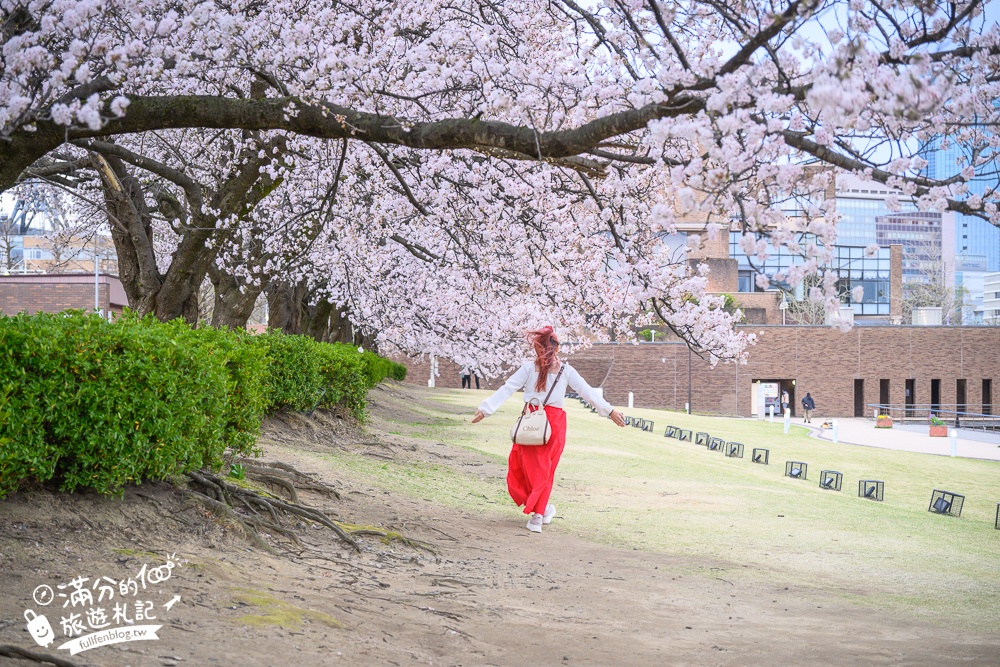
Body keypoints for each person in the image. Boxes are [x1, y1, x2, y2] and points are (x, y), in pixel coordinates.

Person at [472, 326, 626, 533]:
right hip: (552, 424)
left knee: (526, 468)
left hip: (531, 421)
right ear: (558, 348)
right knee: (544, 470)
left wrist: (486, 409)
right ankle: (539, 513)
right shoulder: (565, 371)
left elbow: (507, 388)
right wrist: (610, 411)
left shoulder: (529, 368)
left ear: (537, 349)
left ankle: (538, 513)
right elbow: (587, 392)